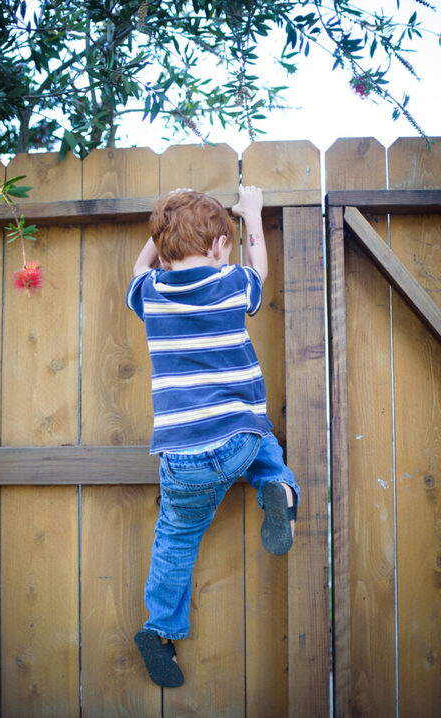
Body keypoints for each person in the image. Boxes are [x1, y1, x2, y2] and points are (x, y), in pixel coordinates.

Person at [126, 185, 300, 688]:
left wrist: (161, 235)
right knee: (261, 437)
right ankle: (281, 490)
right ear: (222, 246)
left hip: (182, 456)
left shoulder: (151, 293)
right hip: (238, 438)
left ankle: (160, 630)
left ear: (161, 246)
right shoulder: (231, 283)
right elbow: (260, 265)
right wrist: (253, 216)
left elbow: (140, 270)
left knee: (176, 539)